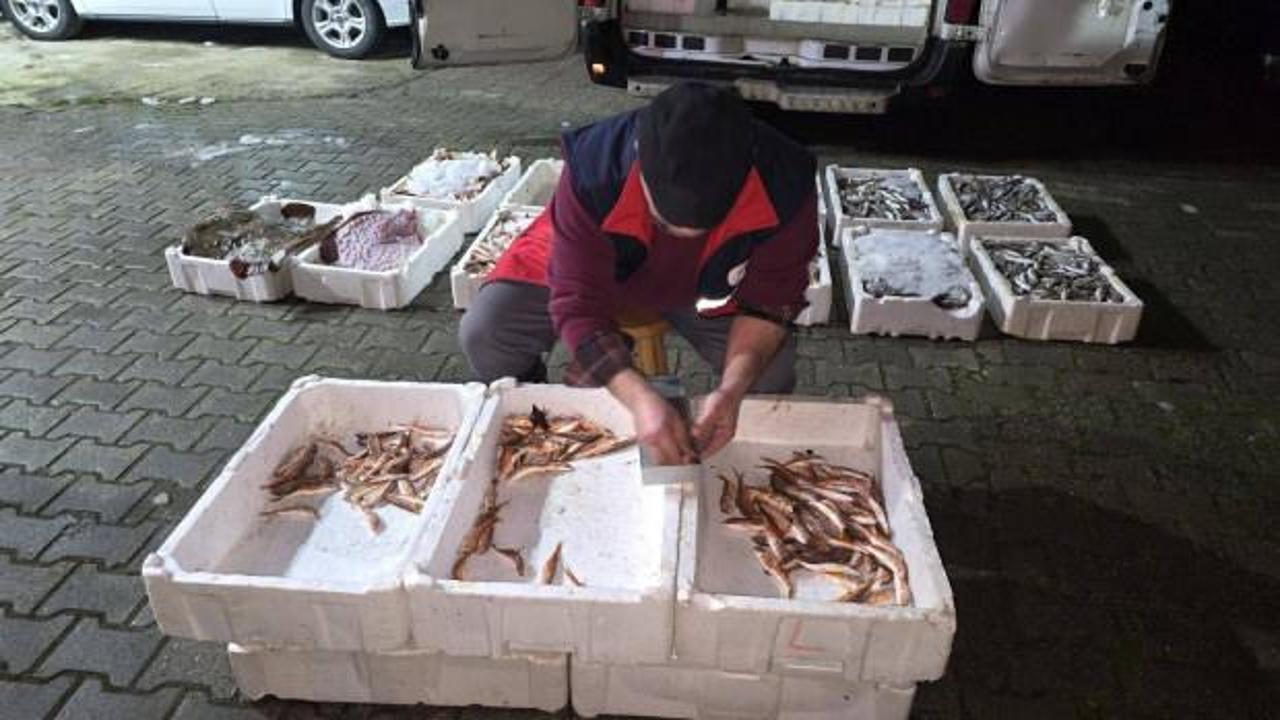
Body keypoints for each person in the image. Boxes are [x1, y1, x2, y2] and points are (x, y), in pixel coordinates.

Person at [460, 82, 818, 466]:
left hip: (705, 281)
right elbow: (577, 302)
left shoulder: (786, 182)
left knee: (770, 372)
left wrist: (731, 391)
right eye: (663, 222)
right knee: (487, 331)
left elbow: (770, 301)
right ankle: (539, 415)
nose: (677, 236)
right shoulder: (595, 169)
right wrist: (639, 397)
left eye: (703, 227)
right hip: (595, 258)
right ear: (640, 163)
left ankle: (743, 452)